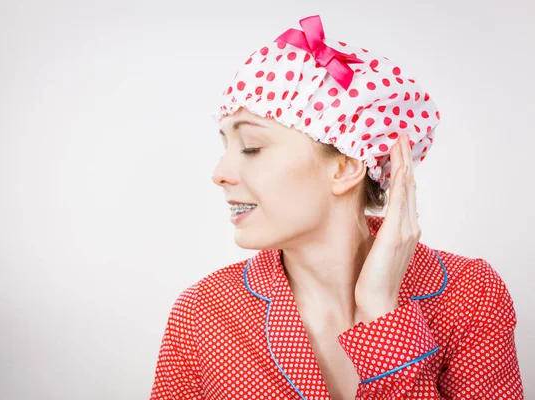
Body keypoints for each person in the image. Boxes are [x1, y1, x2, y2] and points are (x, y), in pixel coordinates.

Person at [149, 15, 524, 399]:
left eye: (252, 148)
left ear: (346, 166)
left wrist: (382, 312)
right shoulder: (203, 314)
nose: (220, 173)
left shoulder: (469, 294)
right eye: (225, 146)